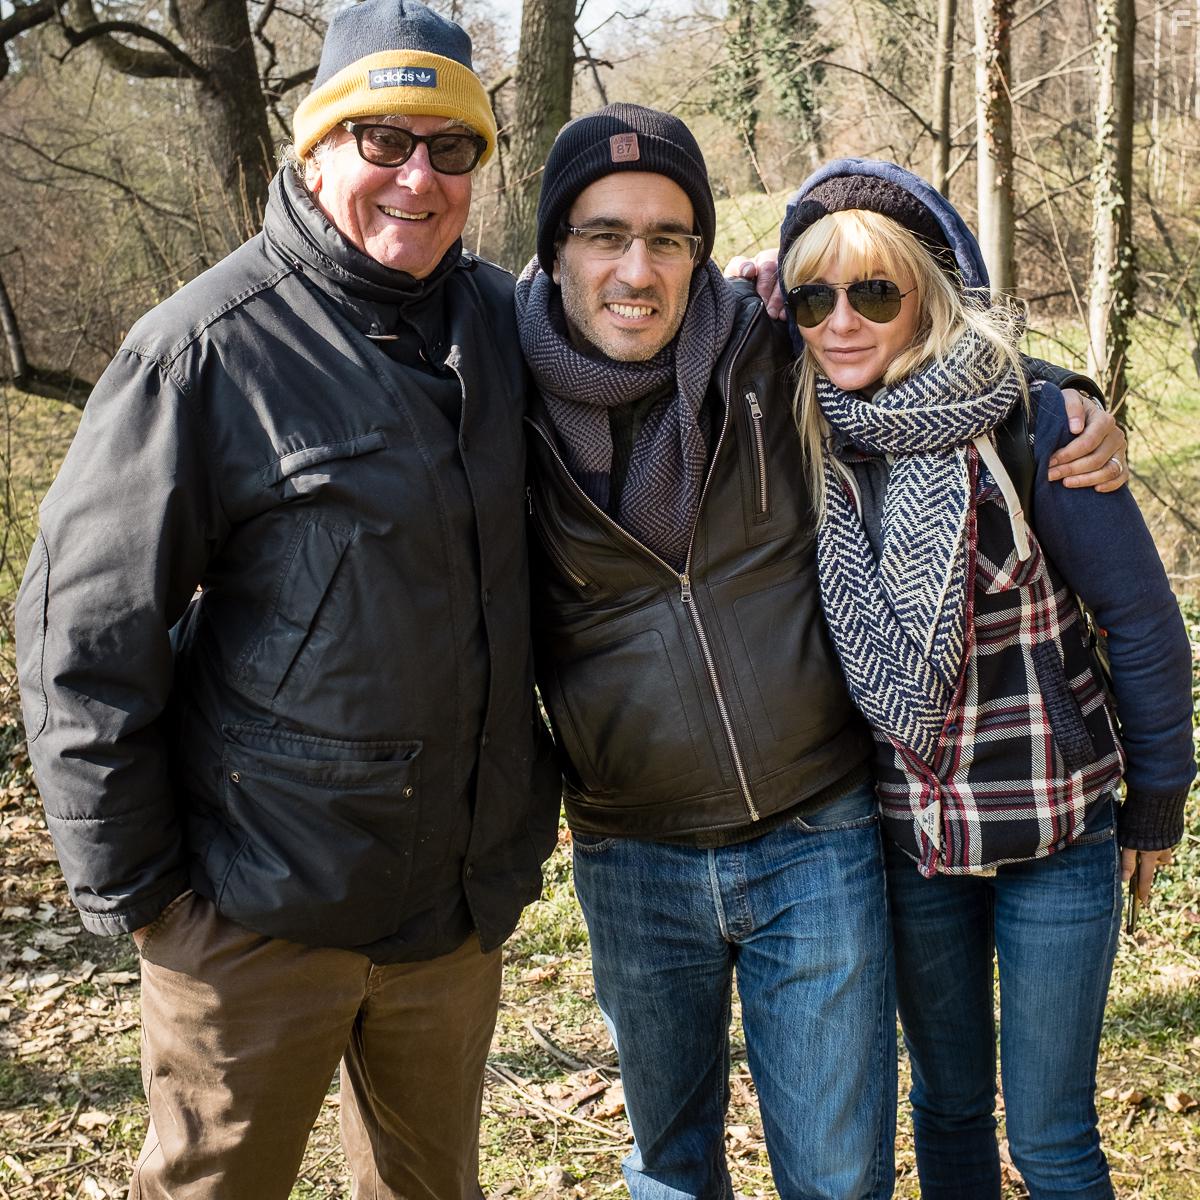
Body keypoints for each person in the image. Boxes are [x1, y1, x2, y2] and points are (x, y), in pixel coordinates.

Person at [514, 105, 1125, 1200]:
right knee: (669, 1172)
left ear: (703, 250)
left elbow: (915, 340)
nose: (635, 268)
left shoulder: (767, 348)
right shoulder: (496, 396)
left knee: (842, 1179)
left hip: (819, 835)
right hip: (633, 849)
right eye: (604, 234)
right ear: (553, 246)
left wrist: (1059, 398)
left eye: (667, 236)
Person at [14, 1, 559, 1196]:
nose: (419, 177)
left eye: (451, 148)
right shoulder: (203, 353)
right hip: (252, 915)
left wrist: (1046, 398)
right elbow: (78, 638)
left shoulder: (505, 327)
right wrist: (152, 902)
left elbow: (665, 333)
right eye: (384, 140)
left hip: (449, 921)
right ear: (313, 150)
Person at [776, 158, 1195, 1200]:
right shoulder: (801, 433)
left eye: (874, 292)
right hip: (911, 839)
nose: (839, 322)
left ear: (929, 296)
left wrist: (1156, 808)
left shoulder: (1033, 423)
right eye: (812, 297)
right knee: (947, 1108)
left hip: (1058, 832)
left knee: (1052, 1140)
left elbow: (1144, 625)